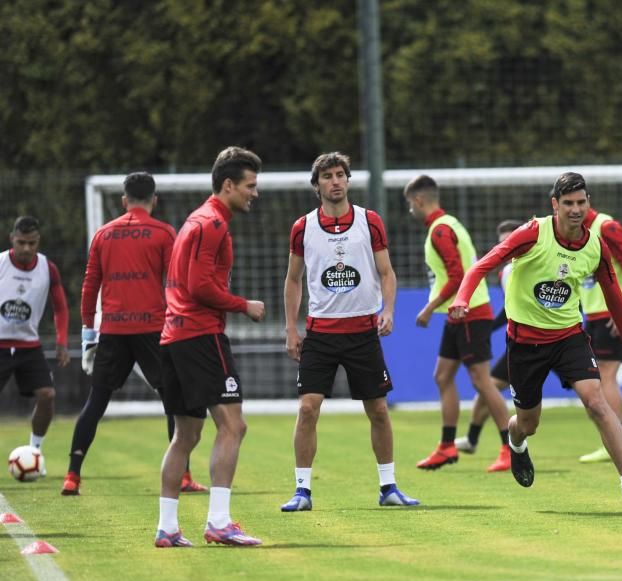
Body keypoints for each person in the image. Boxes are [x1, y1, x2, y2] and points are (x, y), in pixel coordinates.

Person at [449, 172, 622, 510]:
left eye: (581, 203)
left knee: (596, 401)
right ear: (554, 204)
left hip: (569, 336)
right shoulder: (531, 234)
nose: (575, 209)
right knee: (528, 423)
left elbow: (615, 297)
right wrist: (462, 299)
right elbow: (480, 266)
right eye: (568, 203)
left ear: (589, 204)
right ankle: (515, 444)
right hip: (525, 343)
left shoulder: (595, 244)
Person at [280, 152, 419, 512]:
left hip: (362, 332)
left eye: (340, 174)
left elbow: (387, 272)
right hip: (321, 334)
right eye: (327, 176)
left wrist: (388, 310)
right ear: (317, 186)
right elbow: (293, 279)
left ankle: (388, 486)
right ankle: (302, 491)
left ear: (348, 180)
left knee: (378, 410)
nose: (335, 181)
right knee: (308, 408)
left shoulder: (369, 222)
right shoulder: (303, 227)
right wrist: (291, 329)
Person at [62, 172, 207, 496]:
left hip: (113, 328)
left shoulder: (104, 234)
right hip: (153, 329)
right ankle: (183, 476)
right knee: (173, 402)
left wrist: (88, 331)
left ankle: (72, 475)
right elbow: (175, 283)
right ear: (154, 200)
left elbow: (90, 285)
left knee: (96, 402)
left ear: (124, 201)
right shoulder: (164, 233)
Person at [154, 146, 267, 548]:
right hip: (200, 337)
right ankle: (218, 521)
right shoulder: (212, 224)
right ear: (228, 185)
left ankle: (167, 528)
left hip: (173, 336)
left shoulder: (195, 220)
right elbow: (200, 287)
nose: (255, 193)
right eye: (250, 186)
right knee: (234, 425)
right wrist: (245, 306)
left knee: (185, 435)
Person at [406, 175, 512, 473]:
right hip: (459, 314)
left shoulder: (440, 230)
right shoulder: (449, 224)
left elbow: (457, 276)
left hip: (468, 313)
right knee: (442, 376)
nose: (409, 210)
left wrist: (428, 309)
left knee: (482, 381)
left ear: (418, 201)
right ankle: (447, 445)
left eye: (409, 204)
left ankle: (510, 447)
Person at [0, 215, 70, 474]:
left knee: (47, 395)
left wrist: (62, 342)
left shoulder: (47, 268)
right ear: (12, 240)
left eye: (32, 243)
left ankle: (35, 452)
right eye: (21, 242)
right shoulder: (1, 264)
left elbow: (61, 308)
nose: (27, 248)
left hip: (29, 345)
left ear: (38, 241)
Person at [454, 219, 522, 472]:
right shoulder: (506, 271)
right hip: (522, 341)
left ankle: (507, 447)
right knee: (487, 386)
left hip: (537, 340)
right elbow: (510, 309)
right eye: (502, 240)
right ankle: (473, 439)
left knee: (488, 387)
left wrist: (487, 327)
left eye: (510, 239)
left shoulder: (517, 269)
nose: (507, 245)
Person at [577, 206, 622, 463]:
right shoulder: (575, 232)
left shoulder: (606, 227)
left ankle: (619, 444)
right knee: (595, 380)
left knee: (604, 377)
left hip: (611, 313)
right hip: (593, 314)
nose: (574, 209)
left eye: (578, 203)